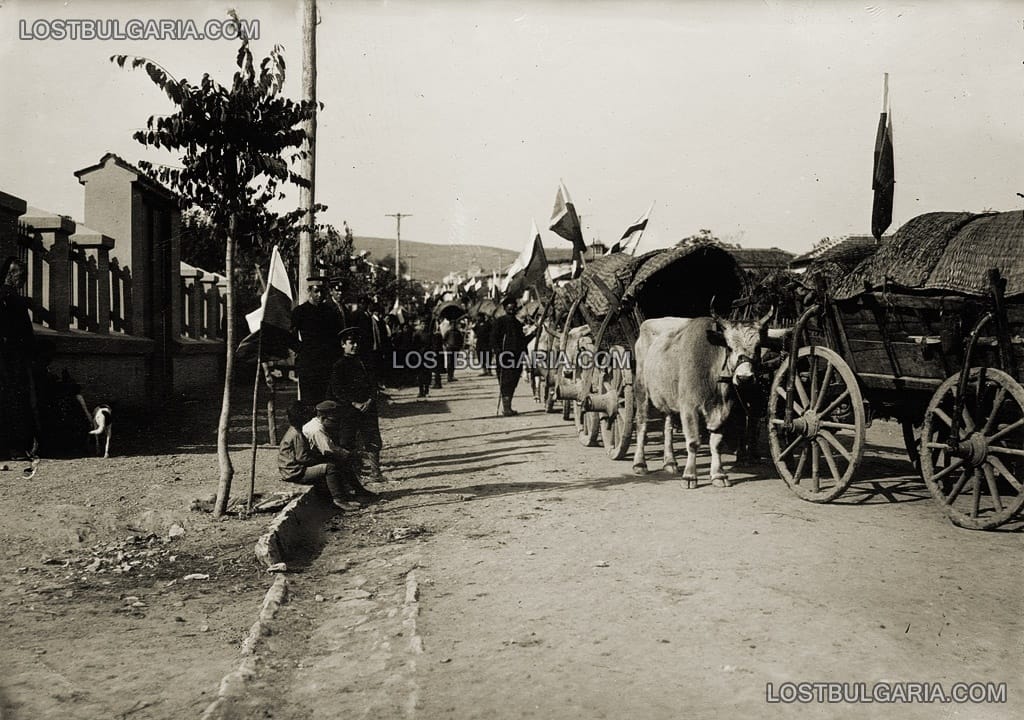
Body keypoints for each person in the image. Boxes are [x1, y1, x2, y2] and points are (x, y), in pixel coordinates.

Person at [277, 400, 376, 510]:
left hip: (297, 467)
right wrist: (321, 458)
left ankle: (353, 493)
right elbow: (302, 458)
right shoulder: (297, 434)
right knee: (330, 467)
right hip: (294, 472)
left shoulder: (296, 430)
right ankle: (339, 500)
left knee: (335, 461)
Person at [328, 327, 390, 483]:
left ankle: (375, 473)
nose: (354, 346)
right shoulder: (339, 366)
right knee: (347, 441)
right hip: (349, 410)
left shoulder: (364, 362)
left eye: (356, 343)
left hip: (368, 408)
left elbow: (373, 384)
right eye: (350, 343)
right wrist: (354, 403)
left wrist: (370, 400)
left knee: (373, 439)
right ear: (343, 345)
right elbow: (337, 390)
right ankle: (351, 477)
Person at [0, 257, 37, 459]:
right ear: (10, 274)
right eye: (19, 275)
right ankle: (16, 448)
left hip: (8, 356)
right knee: (15, 401)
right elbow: (24, 331)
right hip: (12, 358)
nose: (22, 280)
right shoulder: (11, 298)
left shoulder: (10, 297)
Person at [291, 279, 343, 405]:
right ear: (309, 292)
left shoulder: (330, 312)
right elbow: (290, 335)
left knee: (326, 400)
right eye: (316, 291)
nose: (319, 295)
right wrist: (301, 349)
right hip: (308, 363)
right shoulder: (300, 312)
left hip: (327, 363)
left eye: (322, 292)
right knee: (309, 400)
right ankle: (309, 424)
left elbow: (337, 337)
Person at [490, 296, 529, 417]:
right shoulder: (500, 321)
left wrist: (533, 334)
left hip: (517, 357)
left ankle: (508, 407)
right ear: (505, 308)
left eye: (514, 308)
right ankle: (506, 408)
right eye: (509, 308)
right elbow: (493, 338)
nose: (512, 310)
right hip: (504, 357)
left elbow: (522, 341)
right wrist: (498, 352)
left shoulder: (518, 323)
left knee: (513, 381)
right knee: (505, 381)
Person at [410, 316, 433, 398]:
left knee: (427, 374)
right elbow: (413, 345)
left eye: (425, 324)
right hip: (419, 356)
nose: (424, 326)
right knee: (420, 374)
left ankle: (426, 390)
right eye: (422, 324)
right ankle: (421, 391)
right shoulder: (417, 334)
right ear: (420, 325)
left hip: (428, 356)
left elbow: (432, 345)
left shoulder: (430, 334)